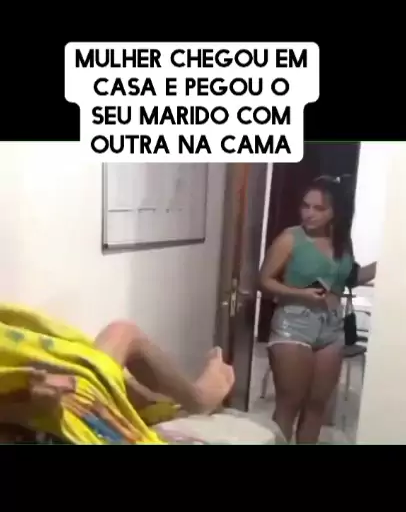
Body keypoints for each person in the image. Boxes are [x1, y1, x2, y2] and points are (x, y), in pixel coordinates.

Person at [0, 303, 235, 444]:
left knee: (120, 339)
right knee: (122, 335)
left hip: (37, 394)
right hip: (53, 414)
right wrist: (24, 401)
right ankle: (197, 398)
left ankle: (168, 402)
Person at [259, 176, 376, 444]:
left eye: (319, 208)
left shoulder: (341, 242)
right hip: (293, 324)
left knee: (316, 407)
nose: (309, 213)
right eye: (305, 206)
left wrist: (389, 261)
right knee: (289, 404)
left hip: (332, 327)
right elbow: (264, 280)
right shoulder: (290, 238)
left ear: (335, 211)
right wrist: (300, 293)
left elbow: (348, 279)